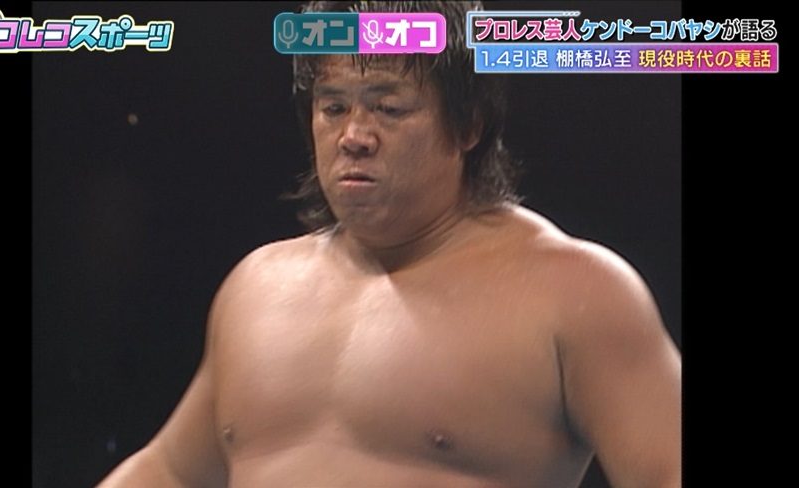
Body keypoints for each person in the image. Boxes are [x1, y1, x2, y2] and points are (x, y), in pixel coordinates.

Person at [98, 1, 681, 486]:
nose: (354, 135)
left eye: (389, 107)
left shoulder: (574, 293)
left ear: (468, 125)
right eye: (333, 108)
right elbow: (171, 471)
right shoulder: (258, 287)